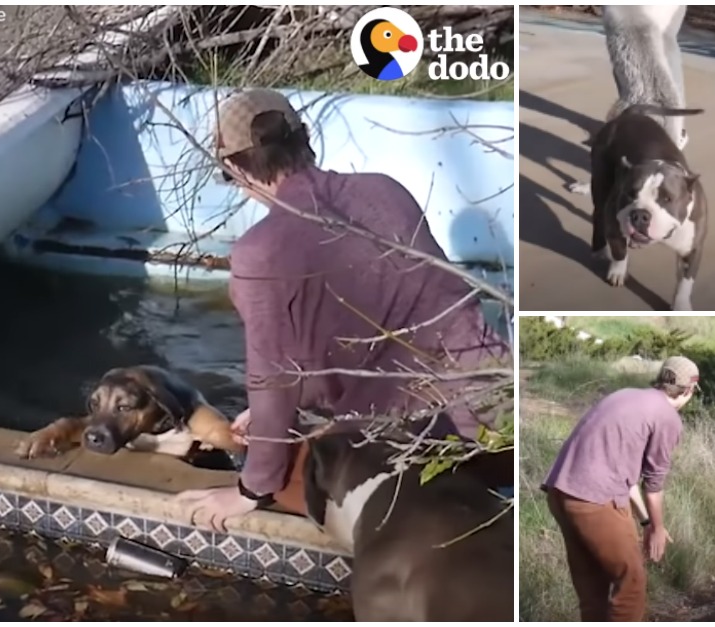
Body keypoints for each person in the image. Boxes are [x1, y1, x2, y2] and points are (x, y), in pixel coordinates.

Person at [175, 89, 510, 528]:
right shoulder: (386, 191)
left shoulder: (259, 253)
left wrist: (252, 489)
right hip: (500, 409)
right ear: (306, 137)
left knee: (287, 471)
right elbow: (400, 320)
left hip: (417, 447)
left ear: (236, 168)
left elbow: (271, 378)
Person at [541, 356, 698, 622]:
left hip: (559, 492)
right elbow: (654, 482)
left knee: (593, 590)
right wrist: (658, 529)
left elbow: (625, 478)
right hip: (593, 501)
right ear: (688, 390)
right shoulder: (667, 417)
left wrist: (647, 521)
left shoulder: (625, 395)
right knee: (632, 583)